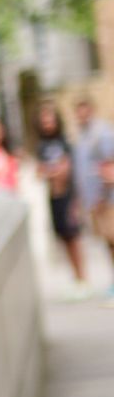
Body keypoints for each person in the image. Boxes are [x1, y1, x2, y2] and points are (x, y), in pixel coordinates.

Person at [33, 101, 87, 289]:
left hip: (67, 195)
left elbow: (66, 170)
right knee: (63, 238)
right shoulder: (41, 146)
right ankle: (76, 279)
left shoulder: (63, 142)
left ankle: (82, 278)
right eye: (44, 120)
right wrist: (51, 171)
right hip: (53, 197)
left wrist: (52, 171)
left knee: (74, 238)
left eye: (50, 119)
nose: (47, 123)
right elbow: (39, 172)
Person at [74, 97, 114, 298]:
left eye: (84, 111)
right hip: (94, 200)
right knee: (108, 242)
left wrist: (102, 197)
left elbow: (109, 167)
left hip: (107, 199)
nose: (81, 116)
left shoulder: (102, 133)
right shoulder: (83, 135)